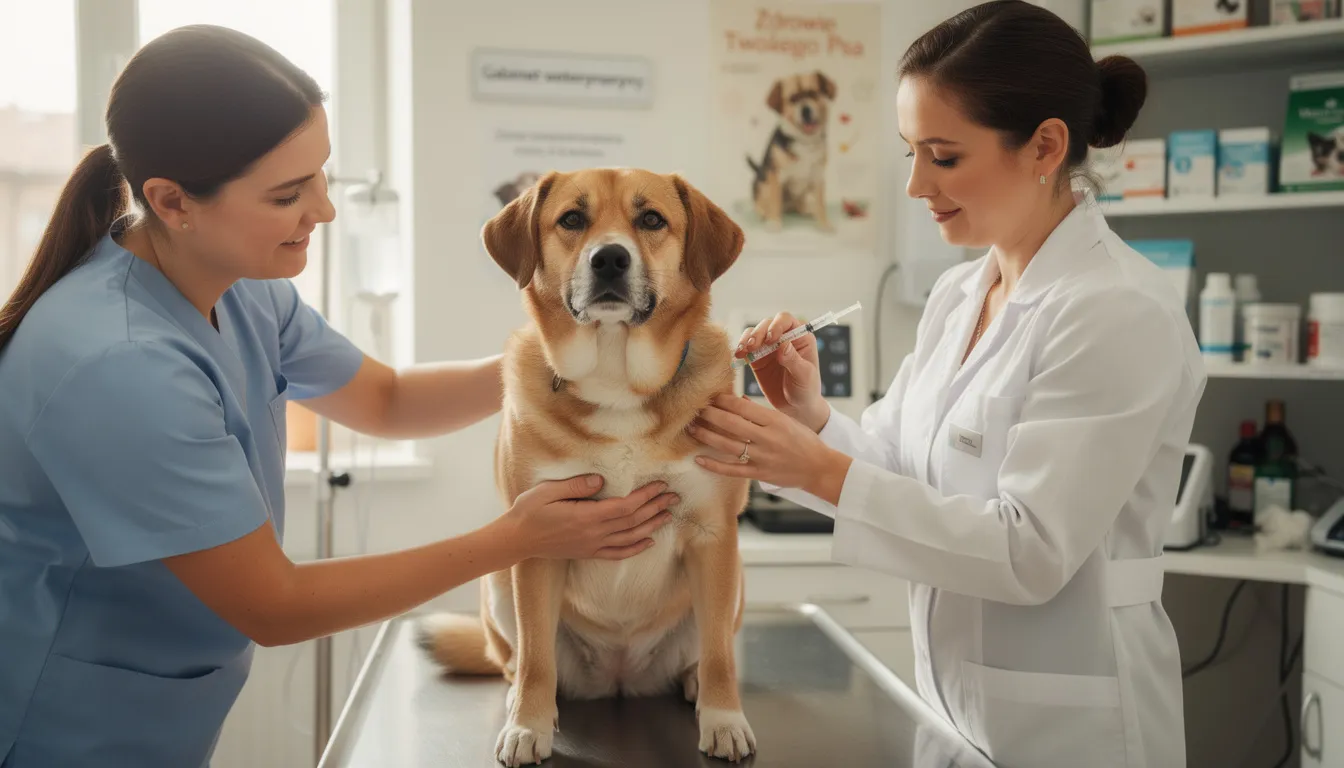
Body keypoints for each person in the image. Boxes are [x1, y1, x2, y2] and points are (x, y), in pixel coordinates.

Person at [0, 26, 677, 768]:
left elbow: (386, 400)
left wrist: (587, 365)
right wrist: (513, 540)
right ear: (171, 200)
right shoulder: (115, 363)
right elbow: (275, 604)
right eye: (289, 194)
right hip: (55, 726)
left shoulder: (246, 292)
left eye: (322, 175)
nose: (323, 210)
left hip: (156, 711)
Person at [689, 2, 1205, 767]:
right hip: (951, 710)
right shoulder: (960, 296)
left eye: (944, 155)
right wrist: (808, 416)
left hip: (1073, 728)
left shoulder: (1118, 311)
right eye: (910, 153)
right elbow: (900, 468)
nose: (916, 186)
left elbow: (1030, 551)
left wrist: (822, 470)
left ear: (1045, 145)